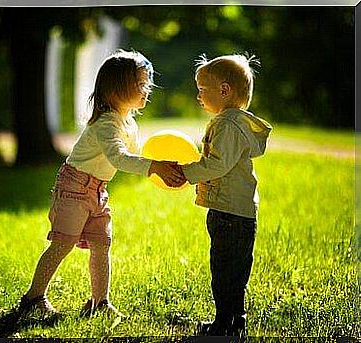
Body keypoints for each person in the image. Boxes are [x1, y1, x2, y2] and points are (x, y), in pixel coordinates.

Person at [17, 50, 184, 322]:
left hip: (97, 190)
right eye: (140, 84)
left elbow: (136, 153)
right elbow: (119, 157)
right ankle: (33, 298)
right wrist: (153, 166)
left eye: (146, 83)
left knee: (101, 244)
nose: (147, 89)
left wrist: (163, 163)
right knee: (63, 243)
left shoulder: (127, 123)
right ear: (116, 89)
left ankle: (99, 302)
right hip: (74, 187)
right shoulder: (106, 124)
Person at [177, 54, 272, 336]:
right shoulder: (234, 123)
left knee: (224, 272)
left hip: (228, 213)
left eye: (202, 89)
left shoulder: (228, 125)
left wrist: (185, 172)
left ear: (224, 90)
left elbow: (217, 165)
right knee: (235, 272)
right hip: (238, 212)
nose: (198, 96)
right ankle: (235, 321)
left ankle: (223, 324)